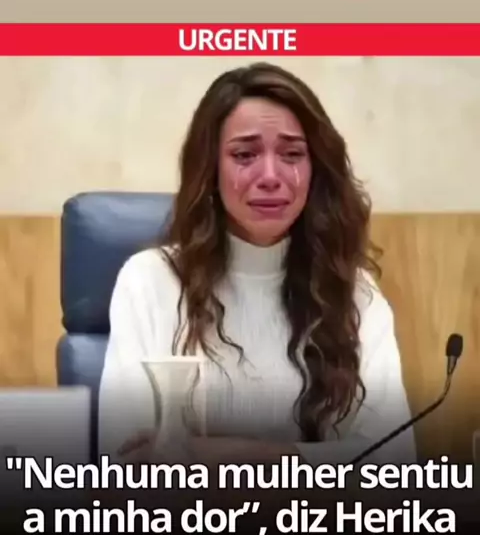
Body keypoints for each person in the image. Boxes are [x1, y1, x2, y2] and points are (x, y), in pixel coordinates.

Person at [98, 62, 416, 468]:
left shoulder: (355, 293)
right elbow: (124, 464)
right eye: (244, 154)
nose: (270, 176)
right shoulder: (150, 282)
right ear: (210, 170)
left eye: (292, 154)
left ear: (315, 169)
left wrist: (236, 457)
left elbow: (395, 465)